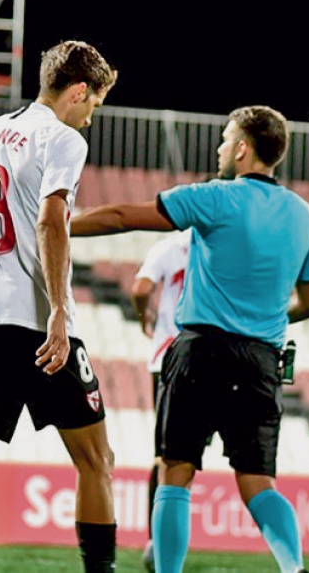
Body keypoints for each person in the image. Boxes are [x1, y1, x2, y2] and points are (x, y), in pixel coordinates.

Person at [70, 105, 309, 573]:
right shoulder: (304, 216)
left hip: (200, 353)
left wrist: (60, 227)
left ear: (243, 148)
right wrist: (268, 316)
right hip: (261, 359)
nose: (221, 148)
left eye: (227, 139)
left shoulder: (216, 197)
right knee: (258, 484)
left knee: (175, 475)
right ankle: (293, 568)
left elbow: (126, 215)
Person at [0, 40, 119, 573]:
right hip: (35, 321)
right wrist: (59, 310)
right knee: (96, 461)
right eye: (93, 104)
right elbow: (51, 219)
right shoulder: (62, 139)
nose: (89, 118)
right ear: (78, 91)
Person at [130, 228, 192, 572]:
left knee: (164, 456)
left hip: (170, 357)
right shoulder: (225, 241)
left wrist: (145, 318)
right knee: (191, 459)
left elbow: (141, 288)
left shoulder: (170, 246)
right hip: (217, 353)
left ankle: (156, 540)